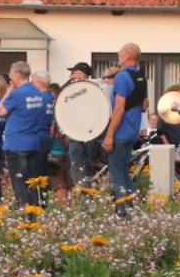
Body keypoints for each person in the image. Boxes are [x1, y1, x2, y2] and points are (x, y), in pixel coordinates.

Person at [1, 61, 54, 208]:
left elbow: (1, 110)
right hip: (34, 141)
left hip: (17, 143)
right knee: (31, 181)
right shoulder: (39, 94)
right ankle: (35, 211)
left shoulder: (17, 93)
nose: (9, 76)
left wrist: (8, 91)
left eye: (10, 73)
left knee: (20, 183)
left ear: (17, 74)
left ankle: (27, 216)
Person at [102, 43, 147, 207]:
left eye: (121, 51)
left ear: (128, 55)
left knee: (117, 175)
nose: (118, 53)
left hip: (120, 133)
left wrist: (109, 135)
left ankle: (123, 211)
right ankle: (131, 207)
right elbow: (144, 106)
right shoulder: (141, 76)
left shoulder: (121, 77)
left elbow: (119, 108)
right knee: (124, 172)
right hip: (132, 131)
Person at [60, 63, 101, 193]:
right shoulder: (94, 90)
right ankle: (86, 196)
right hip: (90, 134)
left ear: (81, 74)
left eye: (73, 73)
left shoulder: (73, 88)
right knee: (84, 168)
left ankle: (83, 199)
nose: (70, 76)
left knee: (78, 168)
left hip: (76, 134)